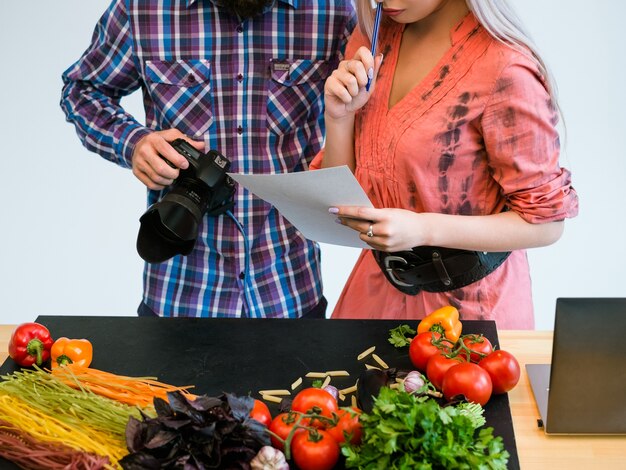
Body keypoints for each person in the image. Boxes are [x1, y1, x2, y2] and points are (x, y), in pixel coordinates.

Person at [61, 0, 356, 318]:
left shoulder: (333, 11)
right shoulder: (141, 9)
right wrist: (134, 144)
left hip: (289, 289)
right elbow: (83, 92)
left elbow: (375, 114)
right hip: (181, 293)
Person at [314, 0, 578, 328]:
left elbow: (546, 224)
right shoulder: (373, 38)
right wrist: (339, 117)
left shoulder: (506, 67)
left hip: (469, 316)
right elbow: (344, 198)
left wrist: (423, 229)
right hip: (373, 296)